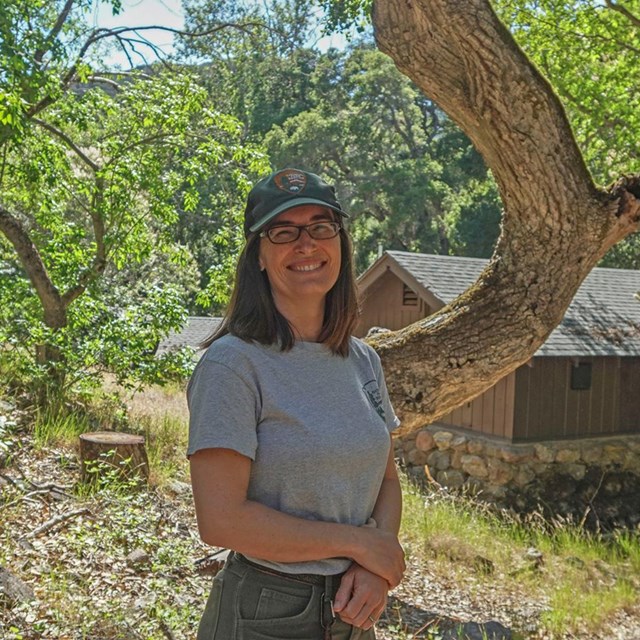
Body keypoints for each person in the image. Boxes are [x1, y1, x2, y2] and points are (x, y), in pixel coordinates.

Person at [187, 168, 405, 640]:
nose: (306, 244)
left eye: (321, 227)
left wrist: (374, 564)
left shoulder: (363, 359)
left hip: (354, 608)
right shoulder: (233, 365)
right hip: (266, 609)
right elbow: (221, 519)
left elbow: (386, 480)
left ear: (341, 243)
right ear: (259, 258)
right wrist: (361, 544)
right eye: (283, 232)